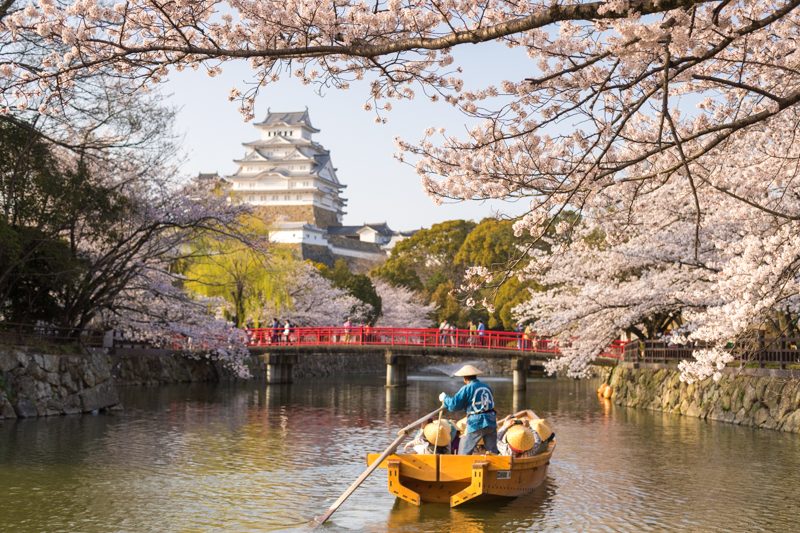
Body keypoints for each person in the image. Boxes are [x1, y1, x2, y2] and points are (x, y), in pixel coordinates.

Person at [438, 364, 498, 455]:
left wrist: (445, 398)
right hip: (491, 420)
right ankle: (494, 467)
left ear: (465, 378)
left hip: (477, 422)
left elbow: (454, 405)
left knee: (464, 450)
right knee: (492, 451)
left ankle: (462, 467)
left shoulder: (467, 388)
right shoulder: (486, 386)